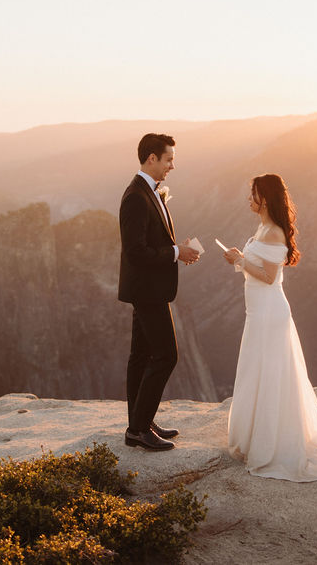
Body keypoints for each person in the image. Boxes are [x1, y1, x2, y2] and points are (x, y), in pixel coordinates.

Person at [223, 173, 317, 480]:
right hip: (258, 312)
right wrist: (239, 261)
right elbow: (258, 271)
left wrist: (239, 258)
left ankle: (271, 444)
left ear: (264, 198)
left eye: (252, 194)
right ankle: (256, 437)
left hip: (269, 314)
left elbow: (268, 276)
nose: (248, 199)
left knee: (270, 372)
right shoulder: (263, 227)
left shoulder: (274, 232)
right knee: (258, 370)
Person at [118, 133, 200, 451]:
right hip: (147, 290)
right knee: (166, 355)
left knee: (140, 356)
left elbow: (153, 242)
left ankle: (139, 423)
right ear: (151, 158)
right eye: (168, 160)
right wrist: (177, 253)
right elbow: (135, 252)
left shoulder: (147, 192)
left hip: (148, 288)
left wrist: (180, 250)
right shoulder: (136, 197)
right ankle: (139, 428)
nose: (172, 167)